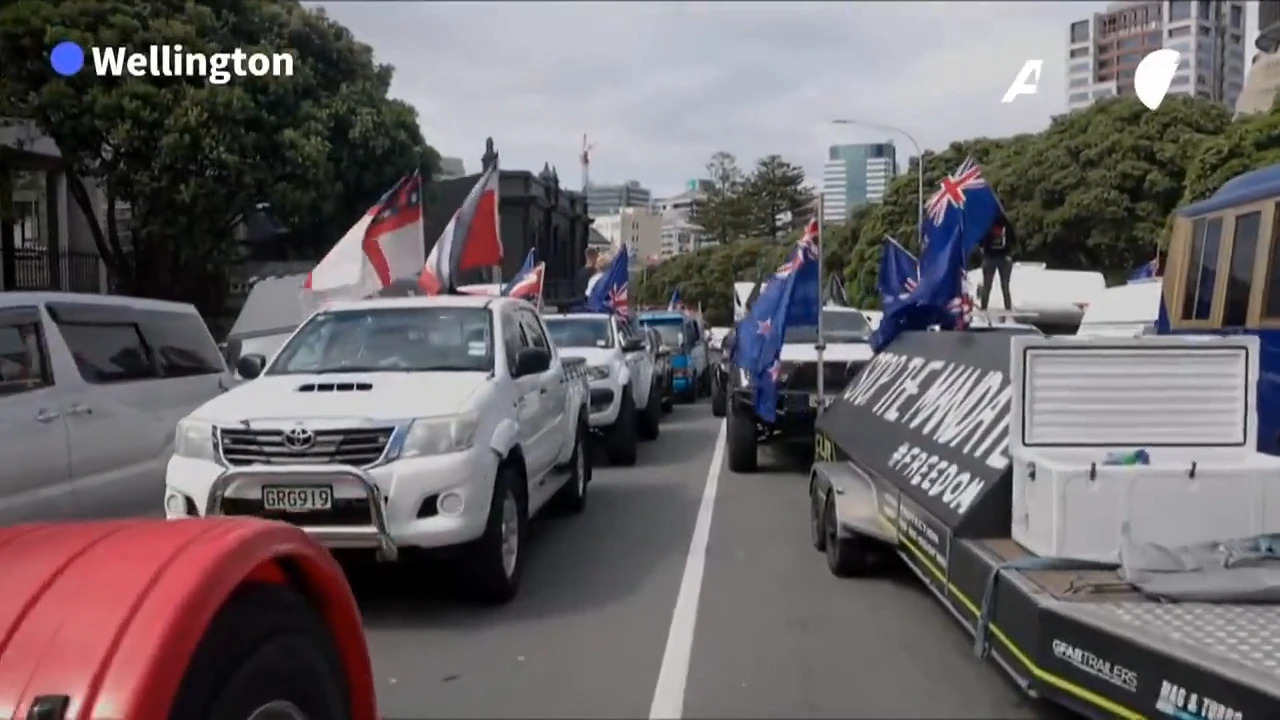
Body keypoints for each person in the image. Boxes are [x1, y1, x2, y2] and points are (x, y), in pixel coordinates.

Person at [977, 217, 1015, 311]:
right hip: (992, 257)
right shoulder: (988, 227)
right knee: (989, 285)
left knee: (1003, 285)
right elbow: (981, 242)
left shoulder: (1006, 227)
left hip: (1002, 257)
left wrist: (1009, 253)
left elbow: (1013, 240)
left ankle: (1007, 308)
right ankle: (984, 307)